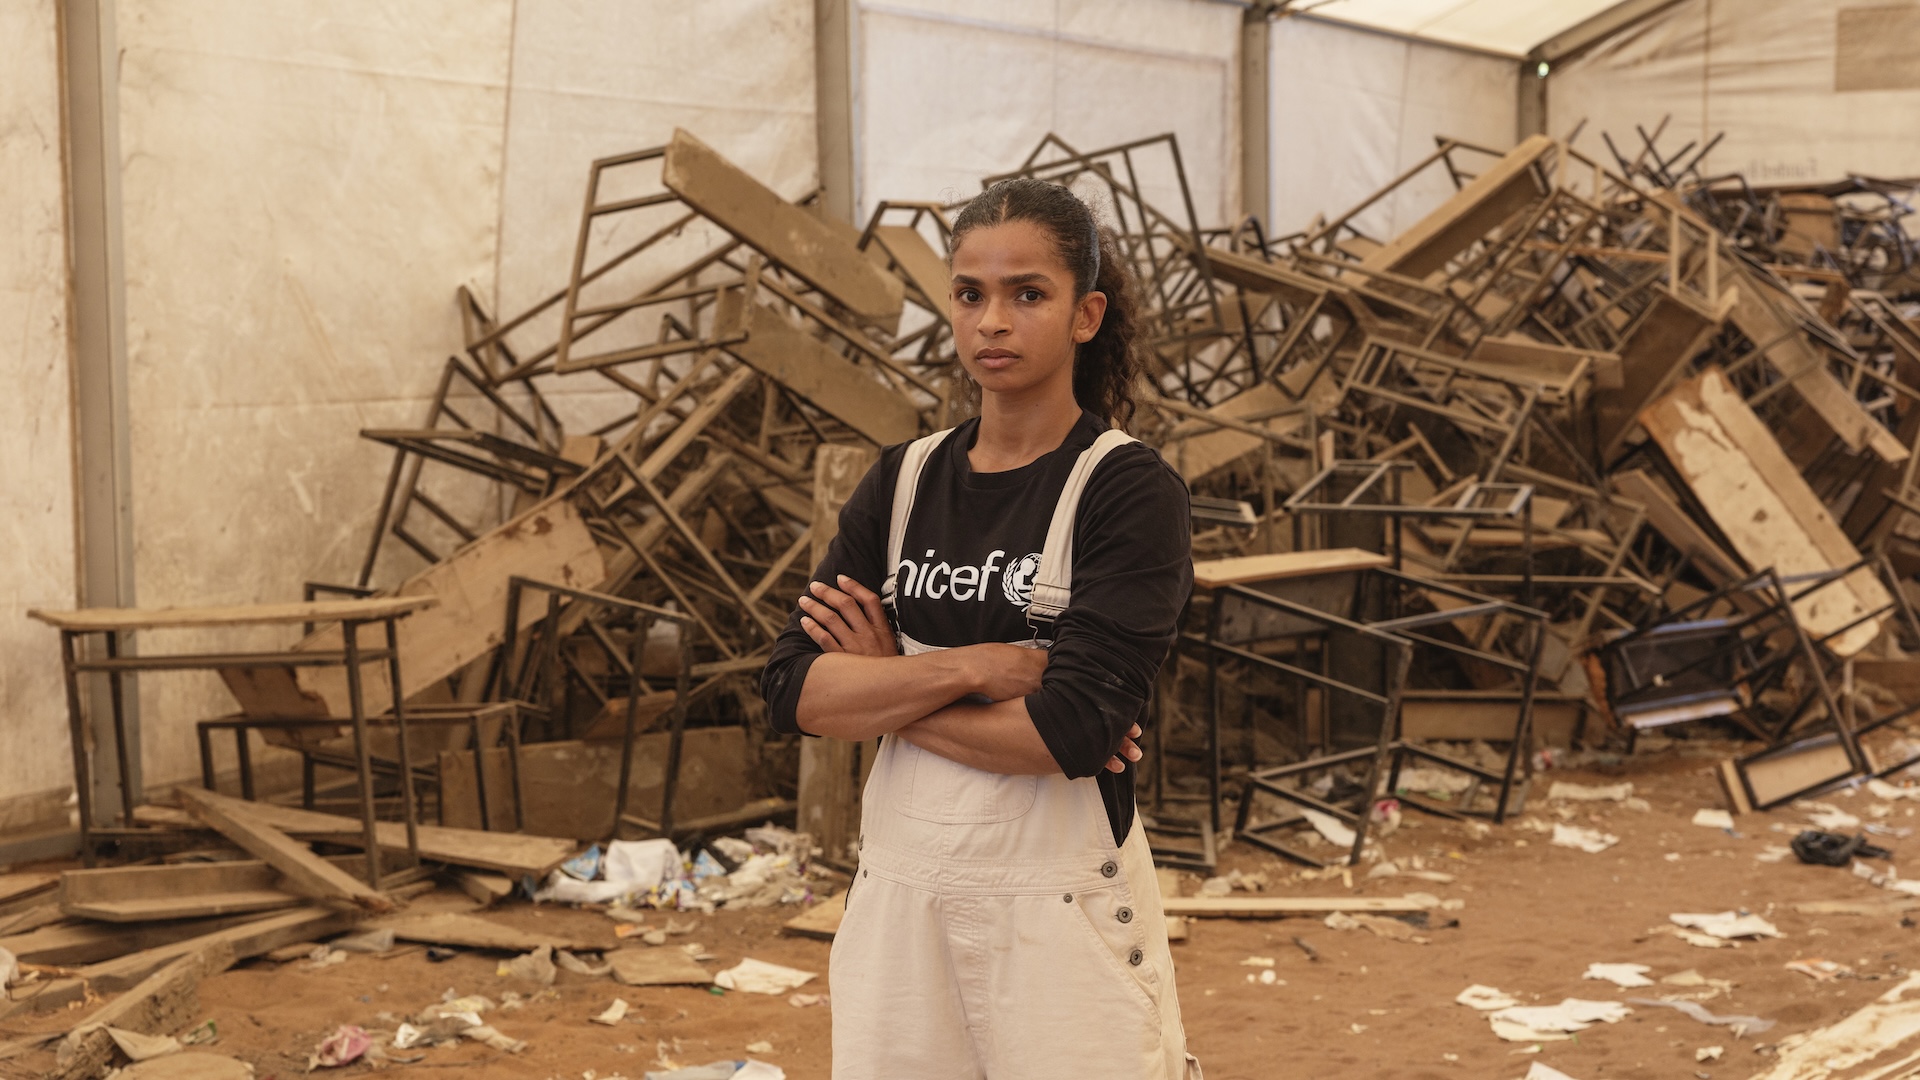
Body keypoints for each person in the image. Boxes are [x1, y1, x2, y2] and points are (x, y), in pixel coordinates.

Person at [759, 177, 1199, 1079]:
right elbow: (790, 688)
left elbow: (1072, 731)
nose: (992, 320)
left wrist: (885, 685)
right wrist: (984, 665)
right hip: (899, 897)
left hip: (1061, 912)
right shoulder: (906, 480)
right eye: (970, 294)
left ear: (1086, 315)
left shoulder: (1123, 489)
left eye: (1027, 294)